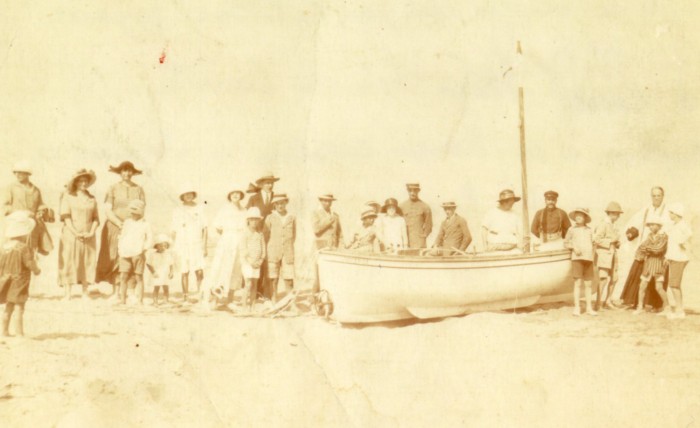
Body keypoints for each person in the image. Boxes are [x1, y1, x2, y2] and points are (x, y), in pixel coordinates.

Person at [96, 161, 146, 297]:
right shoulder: (113, 188)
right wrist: (118, 223)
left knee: (132, 255)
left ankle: (129, 291)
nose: (127, 173)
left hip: (133, 228)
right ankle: (115, 290)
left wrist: (136, 227)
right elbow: (107, 209)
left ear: (133, 173)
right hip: (114, 226)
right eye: (124, 170)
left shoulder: (139, 189)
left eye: (130, 170)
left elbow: (142, 210)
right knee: (115, 257)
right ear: (120, 172)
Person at [58, 169, 100, 300]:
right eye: (80, 181)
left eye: (85, 181)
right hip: (71, 233)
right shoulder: (68, 196)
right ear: (75, 183)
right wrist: (75, 232)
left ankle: (85, 292)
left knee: (88, 261)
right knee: (69, 260)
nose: (83, 183)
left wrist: (92, 232)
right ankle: (67, 293)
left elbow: (96, 218)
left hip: (88, 234)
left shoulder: (92, 199)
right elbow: (66, 216)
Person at [201, 188, 246, 306]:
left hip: (240, 241)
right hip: (227, 241)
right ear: (229, 195)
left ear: (241, 195)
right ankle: (215, 299)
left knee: (236, 270)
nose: (235, 195)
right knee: (221, 269)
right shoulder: (225, 209)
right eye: (233, 193)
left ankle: (229, 300)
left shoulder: (244, 210)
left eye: (238, 193)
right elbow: (217, 226)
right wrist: (228, 236)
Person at [0, 211, 41, 337]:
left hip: (6, 280)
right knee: (19, 307)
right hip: (20, 281)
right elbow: (29, 262)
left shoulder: (4, 248)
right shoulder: (23, 247)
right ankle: (19, 333)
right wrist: (36, 270)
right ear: (23, 234)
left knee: (8, 307)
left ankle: (4, 331)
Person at [2, 161, 53, 256]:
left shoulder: (35, 190)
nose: (18, 175)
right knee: (16, 251)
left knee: (31, 252)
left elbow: (40, 204)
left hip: (32, 225)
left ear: (27, 174)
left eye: (21, 172)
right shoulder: (11, 188)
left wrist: (41, 211)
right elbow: (6, 206)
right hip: (17, 225)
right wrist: (20, 213)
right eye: (16, 172)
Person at [171, 186, 208, 303]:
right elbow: (173, 229)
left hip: (196, 243)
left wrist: (205, 245)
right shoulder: (177, 209)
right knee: (184, 271)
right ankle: (185, 296)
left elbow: (205, 228)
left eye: (190, 193)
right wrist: (173, 246)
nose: (188, 195)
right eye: (185, 194)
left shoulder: (200, 208)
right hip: (182, 243)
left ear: (193, 194)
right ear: (182, 196)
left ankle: (200, 295)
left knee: (199, 270)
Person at [117, 200, 152, 305]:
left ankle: (140, 300)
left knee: (138, 277)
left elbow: (150, 239)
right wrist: (120, 249)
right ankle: (123, 300)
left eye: (136, 212)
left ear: (140, 213)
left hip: (138, 253)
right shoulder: (127, 222)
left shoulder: (145, 224)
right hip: (125, 253)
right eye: (132, 212)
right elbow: (122, 236)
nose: (133, 214)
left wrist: (142, 250)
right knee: (123, 276)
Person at [633, 215, 668, 315]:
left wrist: (648, 249)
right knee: (642, 286)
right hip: (648, 265)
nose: (651, 227)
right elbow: (640, 249)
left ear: (659, 226)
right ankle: (640, 307)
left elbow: (658, 250)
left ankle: (667, 307)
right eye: (650, 225)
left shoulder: (664, 237)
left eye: (653, 225)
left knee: (659, 287)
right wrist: (649, 249)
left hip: (658, 264)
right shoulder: (649, 236)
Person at [264, 194, 296, 303]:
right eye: (277, 203)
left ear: (286, 202)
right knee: (273, 278)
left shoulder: (291, 217)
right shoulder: (270, 217)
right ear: (274, 205)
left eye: (282, 202)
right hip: (273, 251)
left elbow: (294, 235)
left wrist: (287, 245)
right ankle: (274, 301)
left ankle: (290, 303)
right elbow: (266, 235)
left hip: (288, 252)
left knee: (289, 279)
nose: (280, 205)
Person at [564, 208, 596, 316]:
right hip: (577, 259)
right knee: (577, 283)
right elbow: (566, 243)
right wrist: (573, 248)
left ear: (585, 218)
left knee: (588, 284)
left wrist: (593, 255)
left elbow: (594, 243)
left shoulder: (590, 230)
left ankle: (588, 308)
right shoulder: (571, 229)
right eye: (576, 215)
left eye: (581, 215)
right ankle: (577, 307)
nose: (578, 217)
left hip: (588, 259)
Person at [593, 201, 623, 310]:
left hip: (613, 254)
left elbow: (614, 241)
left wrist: (617, 243)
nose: (618, 216)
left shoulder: (613, 225)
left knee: (615, 278)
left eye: (618, 214)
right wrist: (611, 241)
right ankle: (598, 303)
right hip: (604, 255)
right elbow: (596, 239)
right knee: (603, 279)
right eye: (616, 213)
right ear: (610, 213)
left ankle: (608, 300)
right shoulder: (603, 224)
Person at [665, 203, 692, 319]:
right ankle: (679, 309)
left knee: (673, 285)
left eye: (671, 212)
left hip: (679, 258)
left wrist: (682, 242)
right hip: (674, 257)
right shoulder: (675, 224)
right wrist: (667, 257)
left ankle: (679, 311)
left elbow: (690, 233)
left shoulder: (682, 224)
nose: (669, 214)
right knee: (675, 284)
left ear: (676, 214)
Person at [239, 208, 266, 311]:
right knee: (248, 283)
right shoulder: (244, 233)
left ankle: (253, 305)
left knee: (255, 284)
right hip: (247, 263)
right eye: (252, 219)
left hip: (257, 263)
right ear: (248, 220)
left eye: (256, 220)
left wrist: (260, 261)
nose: (254, 222)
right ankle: (244, 306)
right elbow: (243, 249)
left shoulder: (260, 234)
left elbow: (263, 249)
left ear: (259, 221)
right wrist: (251, 262)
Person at [399, 183, 432, 249]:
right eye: (410, 191)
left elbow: (429, 225)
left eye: (415, 191)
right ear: (408, 192)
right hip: (405, 240)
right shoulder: (402, 206)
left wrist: (423, 236)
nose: (412, 193)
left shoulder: (425, 206)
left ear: (418, 191)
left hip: (419, 241)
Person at [146, 234, 174, 306]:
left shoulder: (168, 254)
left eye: (165, 246)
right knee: (156, 287)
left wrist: (171, 272)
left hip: (165, 273)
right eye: (161, 245)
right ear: (156, 246)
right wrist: (153, 272)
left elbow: (171, 264)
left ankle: (166, 300)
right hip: (157, 273)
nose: (163, 247)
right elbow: (148, 264)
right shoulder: (153, 255)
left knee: (166, 287)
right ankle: (155, 301)